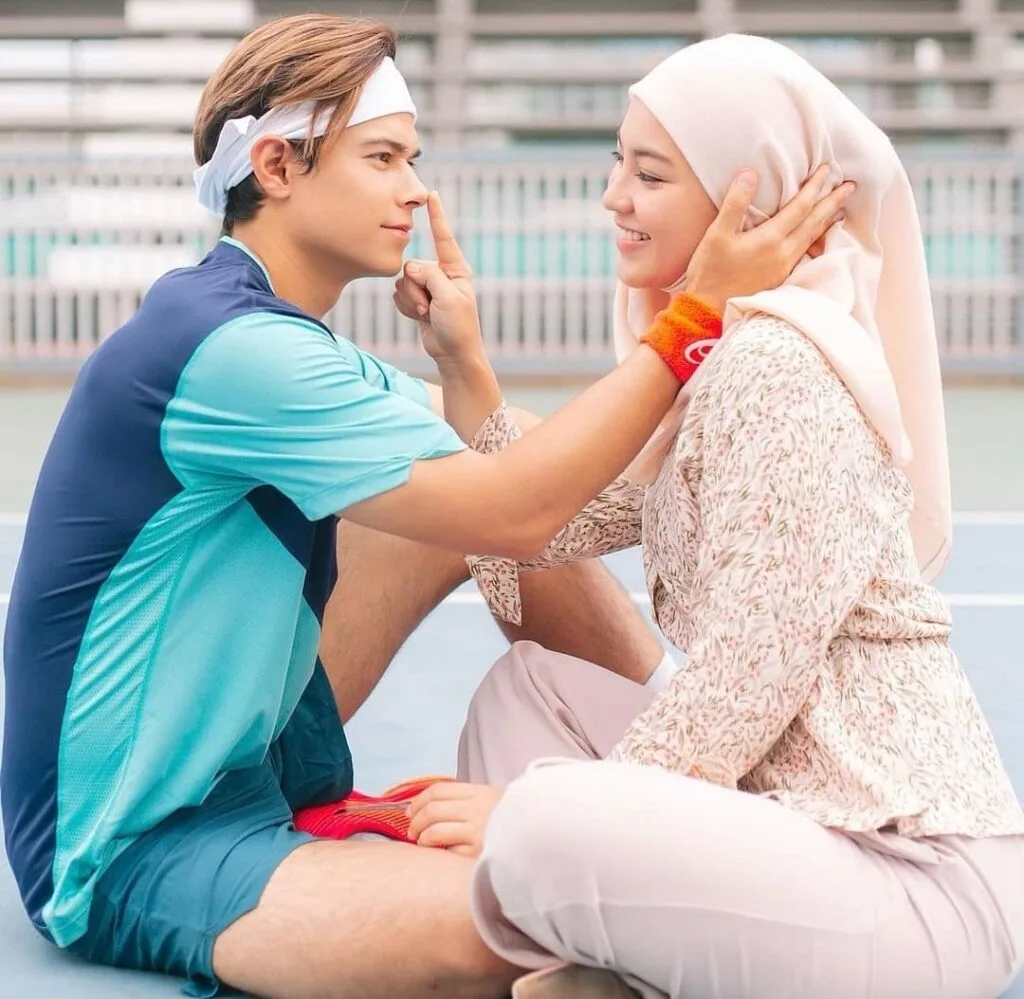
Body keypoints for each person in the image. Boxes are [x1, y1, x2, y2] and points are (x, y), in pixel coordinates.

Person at [0, 15, 848, 999]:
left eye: (412, 159)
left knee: (473, 495)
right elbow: (518, 509)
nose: (414, 188)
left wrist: (466, 363)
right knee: (547, 914)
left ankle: (700, 778)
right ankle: (664, 822)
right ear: (275, 166)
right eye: (383, 158)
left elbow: (523, 470)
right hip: (132, 844)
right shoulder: (232, 351)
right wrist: (696, 315)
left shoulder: (286, 344)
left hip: (249, 777)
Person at [402, 34, 1024, 999]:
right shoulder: (713, 365)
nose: (613, 196)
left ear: (751, 204)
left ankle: (600, 944)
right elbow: (534, 526)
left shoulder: (781, 369)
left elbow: (747, 675)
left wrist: (555, 812)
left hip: (914, 880)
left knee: (535, 823)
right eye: (619, 162)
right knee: (526, 690)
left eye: (650, 174)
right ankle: (614, 967)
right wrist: (461, 361)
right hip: (793, 827)